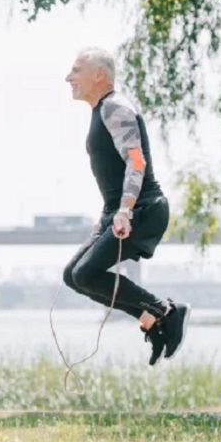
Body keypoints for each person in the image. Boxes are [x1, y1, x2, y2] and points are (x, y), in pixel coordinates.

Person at [62, 47, 190, 366]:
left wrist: (124, 210)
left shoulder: (115, 107)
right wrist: (107, 213)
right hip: (119, 211)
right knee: (73, 276)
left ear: (99, 74)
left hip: (143, 210)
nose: (69, 77)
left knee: (87, 274)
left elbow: (136, 160)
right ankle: (155, 319)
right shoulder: (100, 111)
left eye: (76, 70)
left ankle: (166, 312)